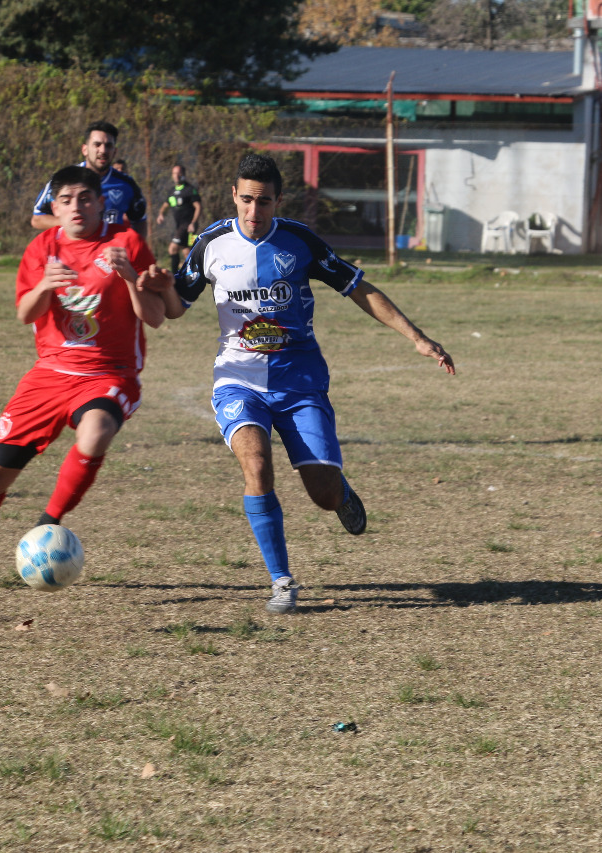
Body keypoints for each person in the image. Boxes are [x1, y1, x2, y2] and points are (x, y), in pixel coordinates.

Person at [168, 153, 455, 614]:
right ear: (234, 197)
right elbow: (175, 303)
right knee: (257, 465)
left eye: (263, 202)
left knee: (321, 493)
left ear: (278, 200)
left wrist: (417, 337)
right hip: (237, 380)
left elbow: (358, 288)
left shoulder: (299, 241)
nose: (253, 212)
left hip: (299, 382)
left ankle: (340, 493)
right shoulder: (211, 243)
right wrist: (150, 285)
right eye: (245, 200)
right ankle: (281, 580)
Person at [0, 166, 178, 591]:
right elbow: (26, 314)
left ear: (100, 202)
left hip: (108, 374)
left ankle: (48, 526)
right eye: (66, 200)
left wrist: (131, 277)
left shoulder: (126, 242)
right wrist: (44, 285)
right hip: (49, 376)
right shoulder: (43, 246)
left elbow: (154, 318)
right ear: (54, 207)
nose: (76, 207)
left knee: (94, 434)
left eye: (85, 198)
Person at [30, 121, 148, 240]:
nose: (103, 150)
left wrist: (133, 250)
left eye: (108, 145)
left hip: (110, 255)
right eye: (97, 144)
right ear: (85, 149)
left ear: (115, 151)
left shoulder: (126, 184)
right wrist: (76, 223)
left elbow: (140, 221)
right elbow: (38, 219)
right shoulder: (64, 179)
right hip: (73, 254)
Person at [157, 164, 202, 274]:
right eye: (174, 173)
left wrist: (193, 222)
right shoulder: (172, 191)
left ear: (183, 174)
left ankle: (174, 277)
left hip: (187, 226)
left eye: (179, 173)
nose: (176, 176)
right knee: (187, 252)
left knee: (172, 249)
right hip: (179, 226)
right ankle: (192, 276)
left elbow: (198, 207)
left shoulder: (189, 190)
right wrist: (161, 214)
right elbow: (165, 206)